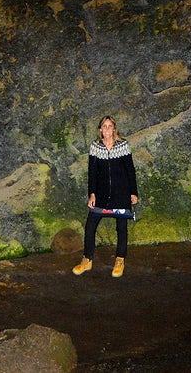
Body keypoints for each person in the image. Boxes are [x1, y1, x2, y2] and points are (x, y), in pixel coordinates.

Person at [72, 115, 139, 277]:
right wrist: (92, 193)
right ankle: (87, 259)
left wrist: (133, 192)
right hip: (101, 194)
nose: (107, 129)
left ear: (114, 129)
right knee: (90, 226)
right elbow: (92, 173)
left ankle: (120, 260)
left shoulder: (123, 145)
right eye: (104, 126)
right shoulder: (95, 146)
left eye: (110, 126)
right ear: (100, 130)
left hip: (121, 192)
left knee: (121, 227)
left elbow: (130, 170)